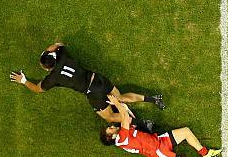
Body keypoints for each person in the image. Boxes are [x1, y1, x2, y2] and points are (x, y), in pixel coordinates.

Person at [9, 42, 165, 122]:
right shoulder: (63, 55)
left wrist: (23, 80)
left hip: (93, 93)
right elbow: (58, 44)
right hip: (97, 79)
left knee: (110, 117)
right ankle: (154, 99)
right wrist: (48, 51)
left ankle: (141, 123)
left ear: (47, 69)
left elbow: (37, 89)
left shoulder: (53, 78)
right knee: (122, 97)